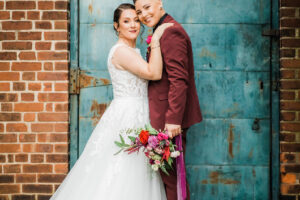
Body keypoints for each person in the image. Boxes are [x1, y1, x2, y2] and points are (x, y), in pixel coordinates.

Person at [50, 3, 172, 200]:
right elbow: (154, 72)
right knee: (123, 169)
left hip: (142, 112)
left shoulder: (133, 51)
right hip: (128, 115)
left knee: (140, 172)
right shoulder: (121, 52)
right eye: (126, 21)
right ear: (116, 26)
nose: (133, 25)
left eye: (136, 20)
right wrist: (156, 38)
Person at [134, 0, 203, 200]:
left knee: (173, 179)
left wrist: (173, 119)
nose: (144, 15)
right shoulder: (160, 30)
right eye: (139, 11)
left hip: (169, 118)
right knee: (168, 177)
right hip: (162, 114)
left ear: (159, 2)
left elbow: (179, 80)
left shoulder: (171, 32)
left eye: (147, 7)